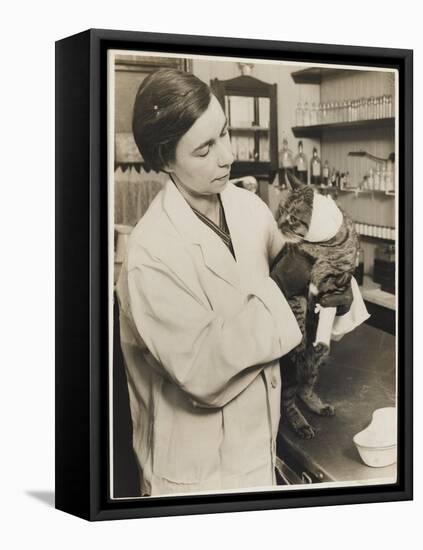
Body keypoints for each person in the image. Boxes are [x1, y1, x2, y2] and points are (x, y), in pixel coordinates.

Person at [116, 68, 357, 496]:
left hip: (257, 447)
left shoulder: (248, 209)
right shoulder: (150, 254)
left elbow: (302, 277)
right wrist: (284, 286)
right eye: (205, 148)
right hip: (195, 474)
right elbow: (203, 371)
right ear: (165, 159)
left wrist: (330, 290)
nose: (227, 155)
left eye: (224, 133)